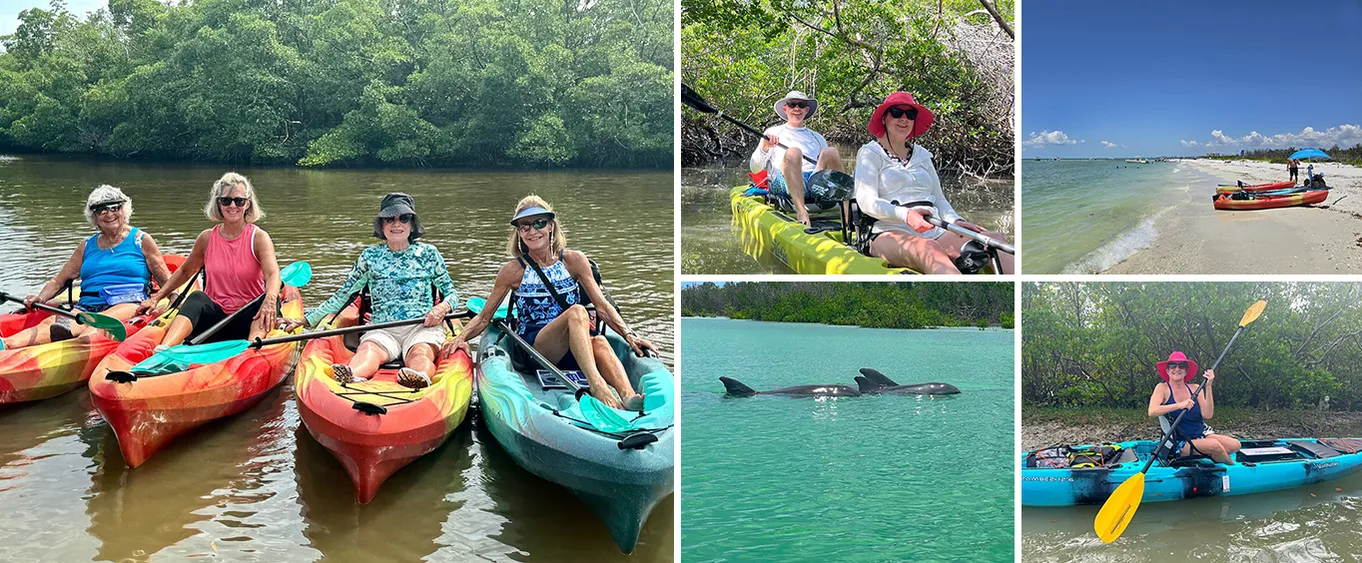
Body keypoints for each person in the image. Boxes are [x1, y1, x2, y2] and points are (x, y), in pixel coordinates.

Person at [442, 196, 657, 410]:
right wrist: (460, 338)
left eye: (539, 223)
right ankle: (598, 386)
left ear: (551, 226)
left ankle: (628, 397)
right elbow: (484, 317)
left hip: (575, 345)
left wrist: (629, 335)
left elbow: (602, 307)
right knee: (577, 312)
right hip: (536, 349)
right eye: (525, 226)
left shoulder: (575, 261)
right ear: (519, 233)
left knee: (599, 341)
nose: (533, 231)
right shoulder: (512, 271)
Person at [281, 193, 459, 389]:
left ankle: (418, 377)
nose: (396, 224)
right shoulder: (369, 257)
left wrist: (442, 308)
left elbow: (452, 294)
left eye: (403, 218)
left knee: (420, 352)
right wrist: (306, 320)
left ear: (412, 225)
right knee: (368, 350)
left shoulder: (429, 254)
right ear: (382, 226)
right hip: (381, 328)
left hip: (420, 326)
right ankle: (353, 376)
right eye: (389, 219)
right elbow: (344, 295)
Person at [852, 92, 1015, 274]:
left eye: (910, 115)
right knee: (928, 249)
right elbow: (866, 202)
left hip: (933, 228)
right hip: (887, 230)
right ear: (884, 118)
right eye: (897, 113)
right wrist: (906, 215)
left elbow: (939, 199)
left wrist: (955, 220)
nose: (904, 119)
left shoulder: (922, 154)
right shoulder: (869, 153)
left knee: (993, 241)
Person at [1, 186, 171, 350]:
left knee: (97, 324)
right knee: (52, 323)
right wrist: (41, 298)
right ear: (94, 216)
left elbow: (167, 281)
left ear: (123, 210)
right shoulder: (86, 246)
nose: (109, 213)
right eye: (101, 210)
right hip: (87, 306)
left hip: (128, 301)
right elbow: (59, 281)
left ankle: (72, 349)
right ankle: (7, 344)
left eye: (115, 207)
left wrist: (170, 303)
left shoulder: (141, 240)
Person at [136, 172, 281, 346]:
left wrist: (271, 299)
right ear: (219, 204)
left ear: (247, 204)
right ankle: (164, 351)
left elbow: (272, 274)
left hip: (248, 318)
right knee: (197, 297)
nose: (232, 206)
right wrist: (156, 297)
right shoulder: (206, 238)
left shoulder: (258, 237)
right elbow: (185, 271)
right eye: (226, 200)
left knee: (267, 300)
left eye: (239, 201)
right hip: (216, 320)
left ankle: (250, 351)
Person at [750, 90, 848, 226]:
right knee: (794, 152)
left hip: (814, 182)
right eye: (792, 104)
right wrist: (764, 147)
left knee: (831, 152)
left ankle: (848, 214)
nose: (797, 108)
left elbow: (826, 168)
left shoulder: (817, 137)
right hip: (784, 181)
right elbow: (755, 169)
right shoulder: (771, 133)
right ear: (785, 109)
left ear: (806, 110)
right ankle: (802, 212)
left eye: (801, 105)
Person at [1146, 351, 1241, 465]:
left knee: (1236, 445)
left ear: (1186, 371)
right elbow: (1152, 411)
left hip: (1200, 434)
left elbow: (1207, 415)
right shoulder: (1162, 388)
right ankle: (1231, 466)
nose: (1177, 369)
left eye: (1181, 366)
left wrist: (1209, 386)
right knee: (1215, 446)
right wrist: (1179, 405)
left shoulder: (1195, 388)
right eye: (1173, 366)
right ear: (1167, 370)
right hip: (1180, 442)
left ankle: (1214, 457)